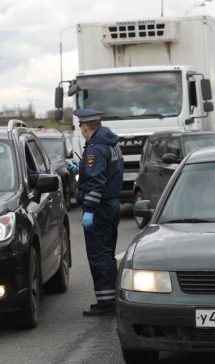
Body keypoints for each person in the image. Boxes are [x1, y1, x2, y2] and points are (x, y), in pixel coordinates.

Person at [67, 108, 124, 316]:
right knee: (107, 254)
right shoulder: (112, 143)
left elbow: (97, 182)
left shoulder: (95, 149)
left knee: (99, 255)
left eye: (81, 127)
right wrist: (81, 170)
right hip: (112, 204)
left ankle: (106, 303)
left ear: (84, 127)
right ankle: (110, 299)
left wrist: (89, 210)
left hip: (100, 208)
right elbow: (107, 173)